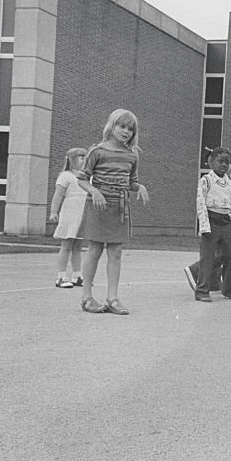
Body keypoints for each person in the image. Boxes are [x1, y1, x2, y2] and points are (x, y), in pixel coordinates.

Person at [77, 109, 150, 314]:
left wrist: (140, 187)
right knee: (95, 250)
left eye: (130, 129)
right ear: (112, 126)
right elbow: (82, 178)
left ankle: (112, 298)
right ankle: (86, 297)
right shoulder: (97, 151)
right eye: (122, 126)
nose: (126, 131)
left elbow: (131, 182)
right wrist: (94, 191)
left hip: (120, 208)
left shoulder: (131, 155)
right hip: (98, 206)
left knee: (116, 252)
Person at [184, 149, 231, 292]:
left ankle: (227, 288)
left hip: (226, 221)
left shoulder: (230, 183)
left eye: (227, 162)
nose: (224, 165)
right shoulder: (206, 180)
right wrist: (204, 225)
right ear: (211, 163)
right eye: (220, 161)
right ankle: (202, 289)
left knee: (229, 255)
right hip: (211, 219)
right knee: (208, 257)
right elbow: (200, 202)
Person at [48, 147, 89, 288]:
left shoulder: (87, 176)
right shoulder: (65, 176)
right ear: (72, 160)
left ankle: (77, 275)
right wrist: (54, 212)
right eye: (81, 157)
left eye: (85, 157)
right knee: (66, 244)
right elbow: (58, 195)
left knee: (78, 245)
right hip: (70, 213)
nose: (84, 160)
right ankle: (61, 276)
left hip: (81, 214)